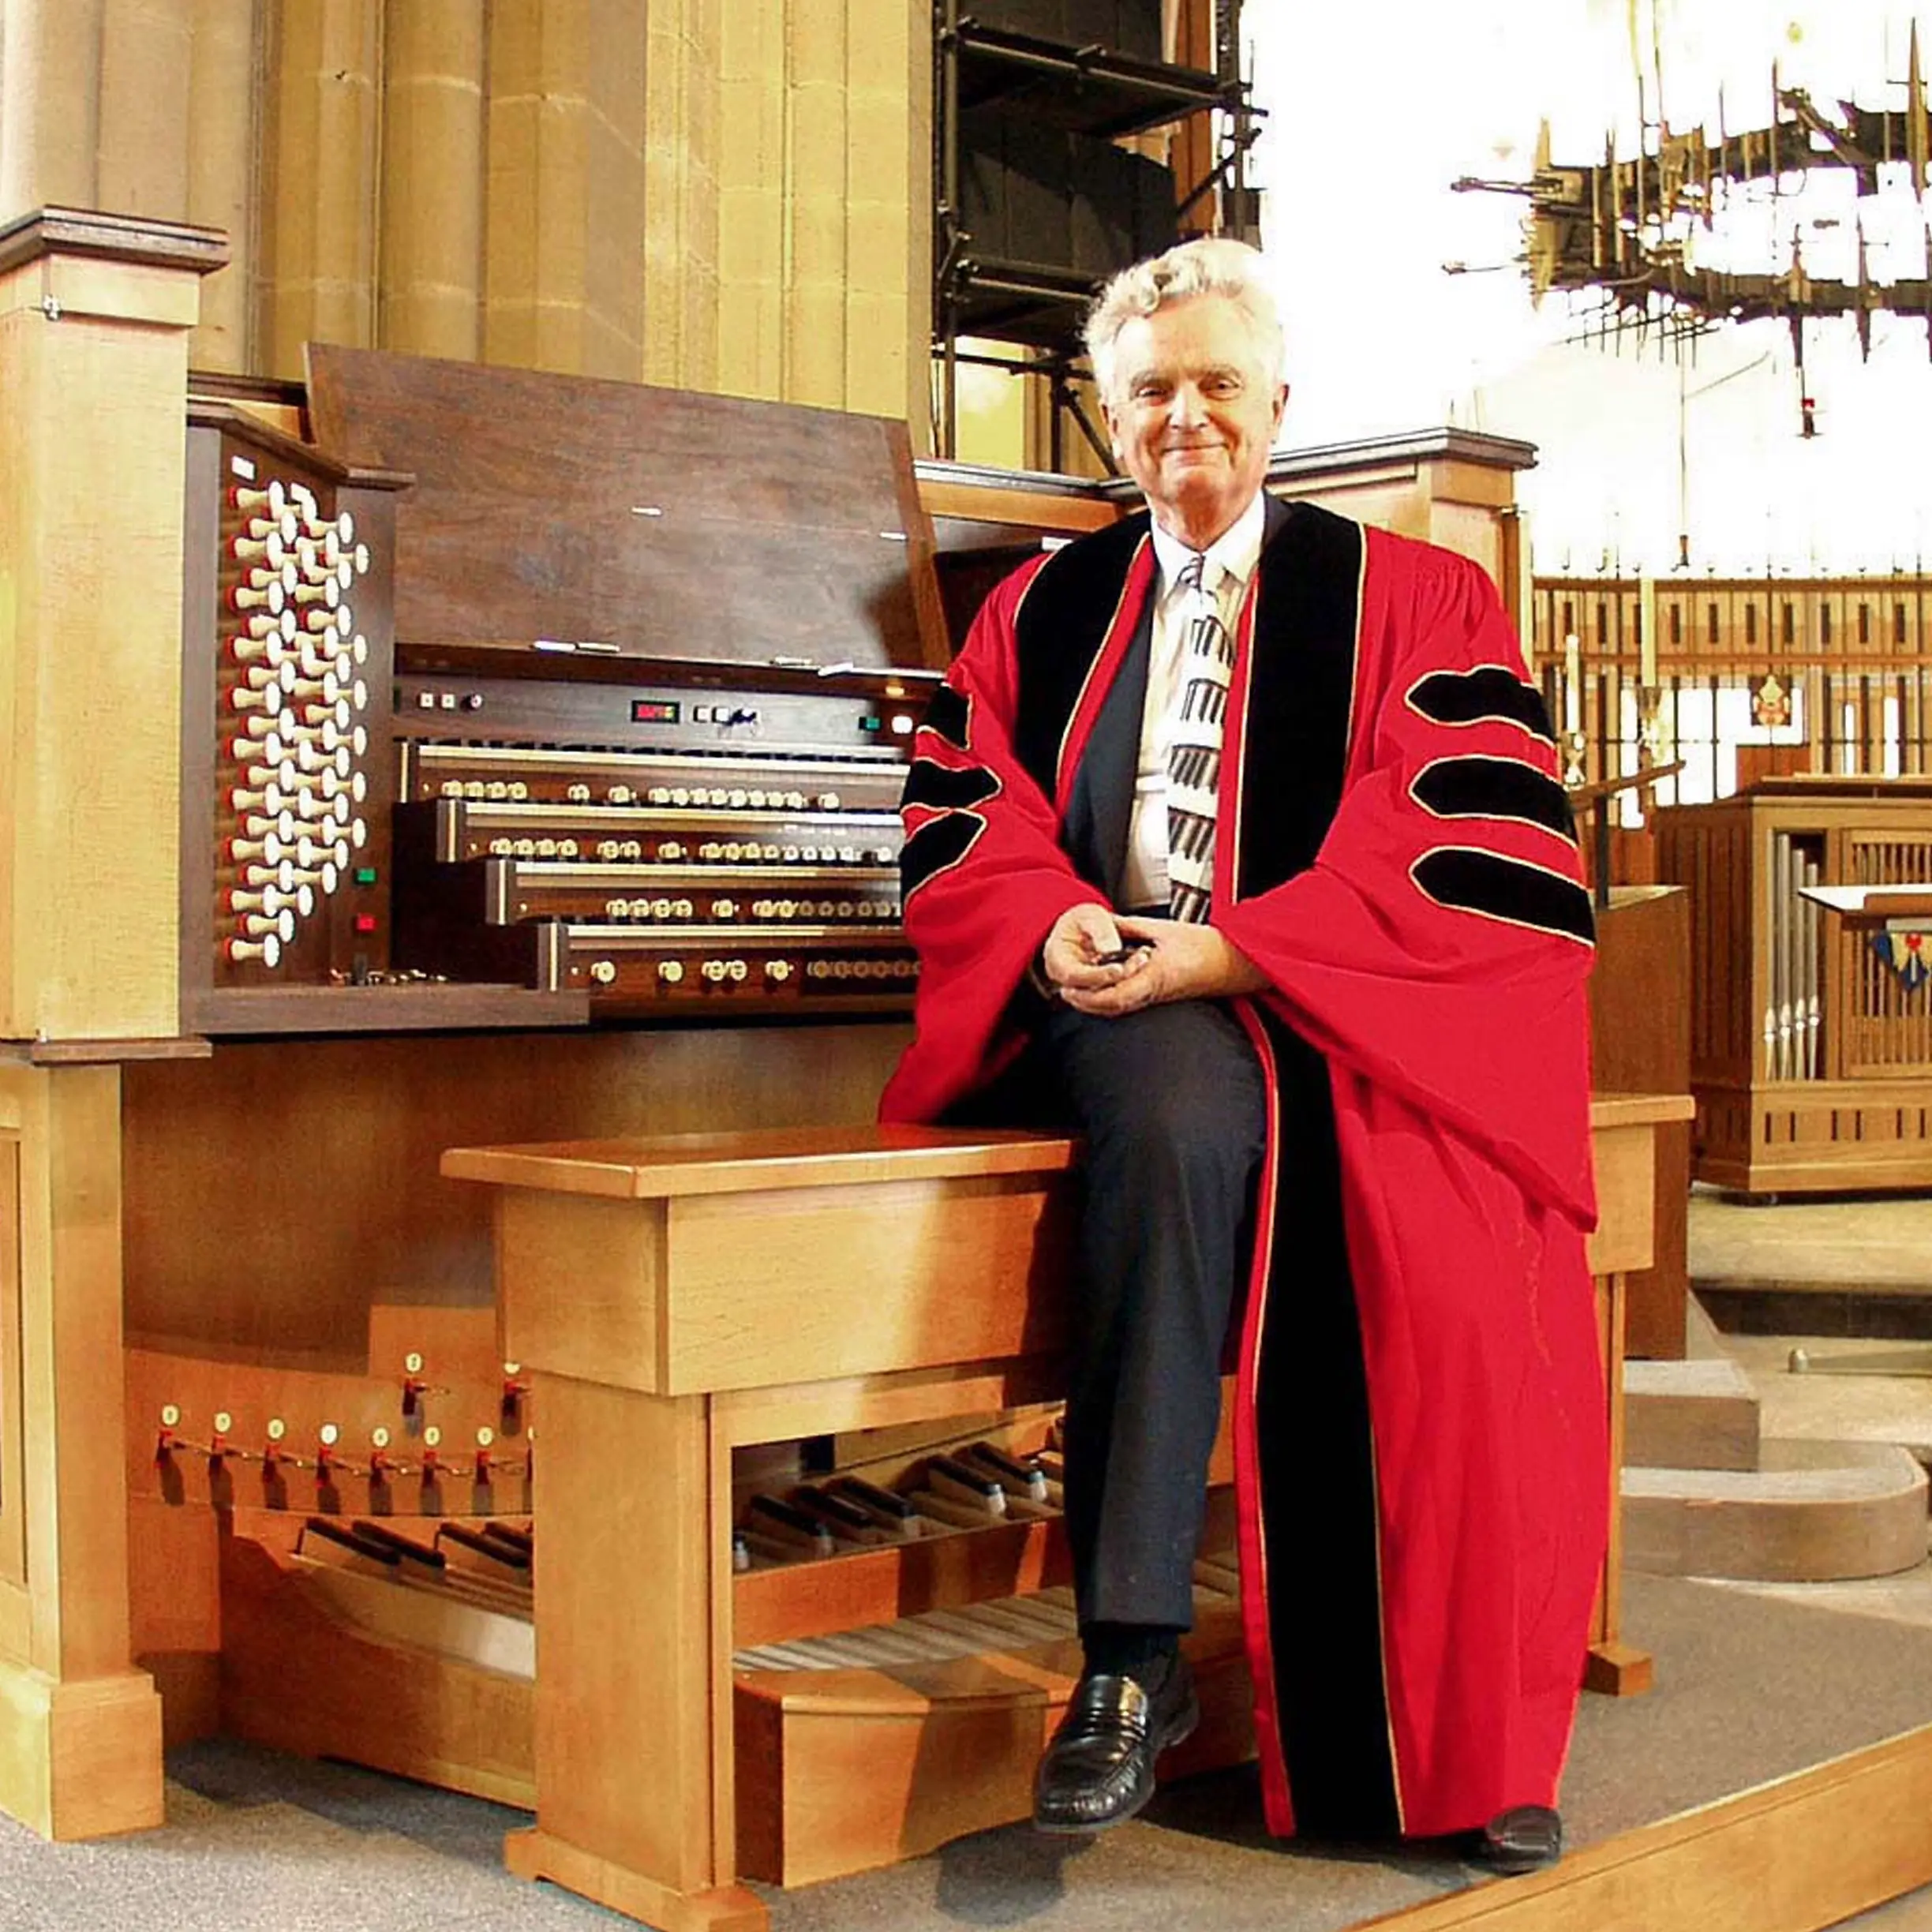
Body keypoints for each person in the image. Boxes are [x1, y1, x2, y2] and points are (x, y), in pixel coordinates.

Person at [880, 238, 1604, 1874]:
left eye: (1217, 384)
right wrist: (1052, 915)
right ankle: (1132, 1658)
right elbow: (958, 808)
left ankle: (1457, 1743)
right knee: (1181, 1116)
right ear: (1109, 420)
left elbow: (1467, 845)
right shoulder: (1034, 611)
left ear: (1280, 402)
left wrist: (1242, 947)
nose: (1185, 417)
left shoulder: (1416, 597)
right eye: (1150, 394)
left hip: (1341, 1005)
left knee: (1453, 1262)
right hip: (1120, 1005)